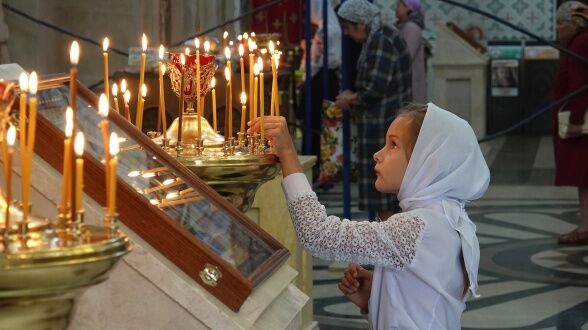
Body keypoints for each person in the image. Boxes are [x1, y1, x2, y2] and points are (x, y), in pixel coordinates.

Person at [247, 102, 490, 329]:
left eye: (393, 145)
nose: (378, 154)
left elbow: (318, 235)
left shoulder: (418, 226)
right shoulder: (444, 220)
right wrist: (377, 295)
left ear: (427, 162)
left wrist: (288, 154)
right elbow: (424, 299)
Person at [334, 0, 412, 221]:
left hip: (384, 125)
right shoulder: (380, 36)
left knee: (385, 195)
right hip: (385, 123)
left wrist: (352, 98)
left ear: (360, 23)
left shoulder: (382, 40)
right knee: (386, 196)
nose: (347, 34)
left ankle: (390, 247)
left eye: (348, 28)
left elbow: (376, 87)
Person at [552, 2, 588, 245]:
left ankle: (585, 228)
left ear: (573, 24)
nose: (557, 29)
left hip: (581, 125)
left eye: (560, 23)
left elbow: (581, 86)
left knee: (584, 176)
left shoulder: (580, 43)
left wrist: (576, 121)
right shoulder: (580, 41)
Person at [299, 0, 342, 161]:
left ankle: (314, 161)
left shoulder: (325, 30)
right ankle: (327, 163)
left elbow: (316, 61)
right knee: (327, 121)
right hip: (330, 78)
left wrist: (304, 78)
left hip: (319, 79)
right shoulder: (335, 27)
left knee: (314, 120)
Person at [396, 0, 427, 103]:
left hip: (410, 88)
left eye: (400, 4)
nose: (397, 6)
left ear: (409, 8)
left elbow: (406, 57)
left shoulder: (411, 28)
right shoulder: (404, 27)